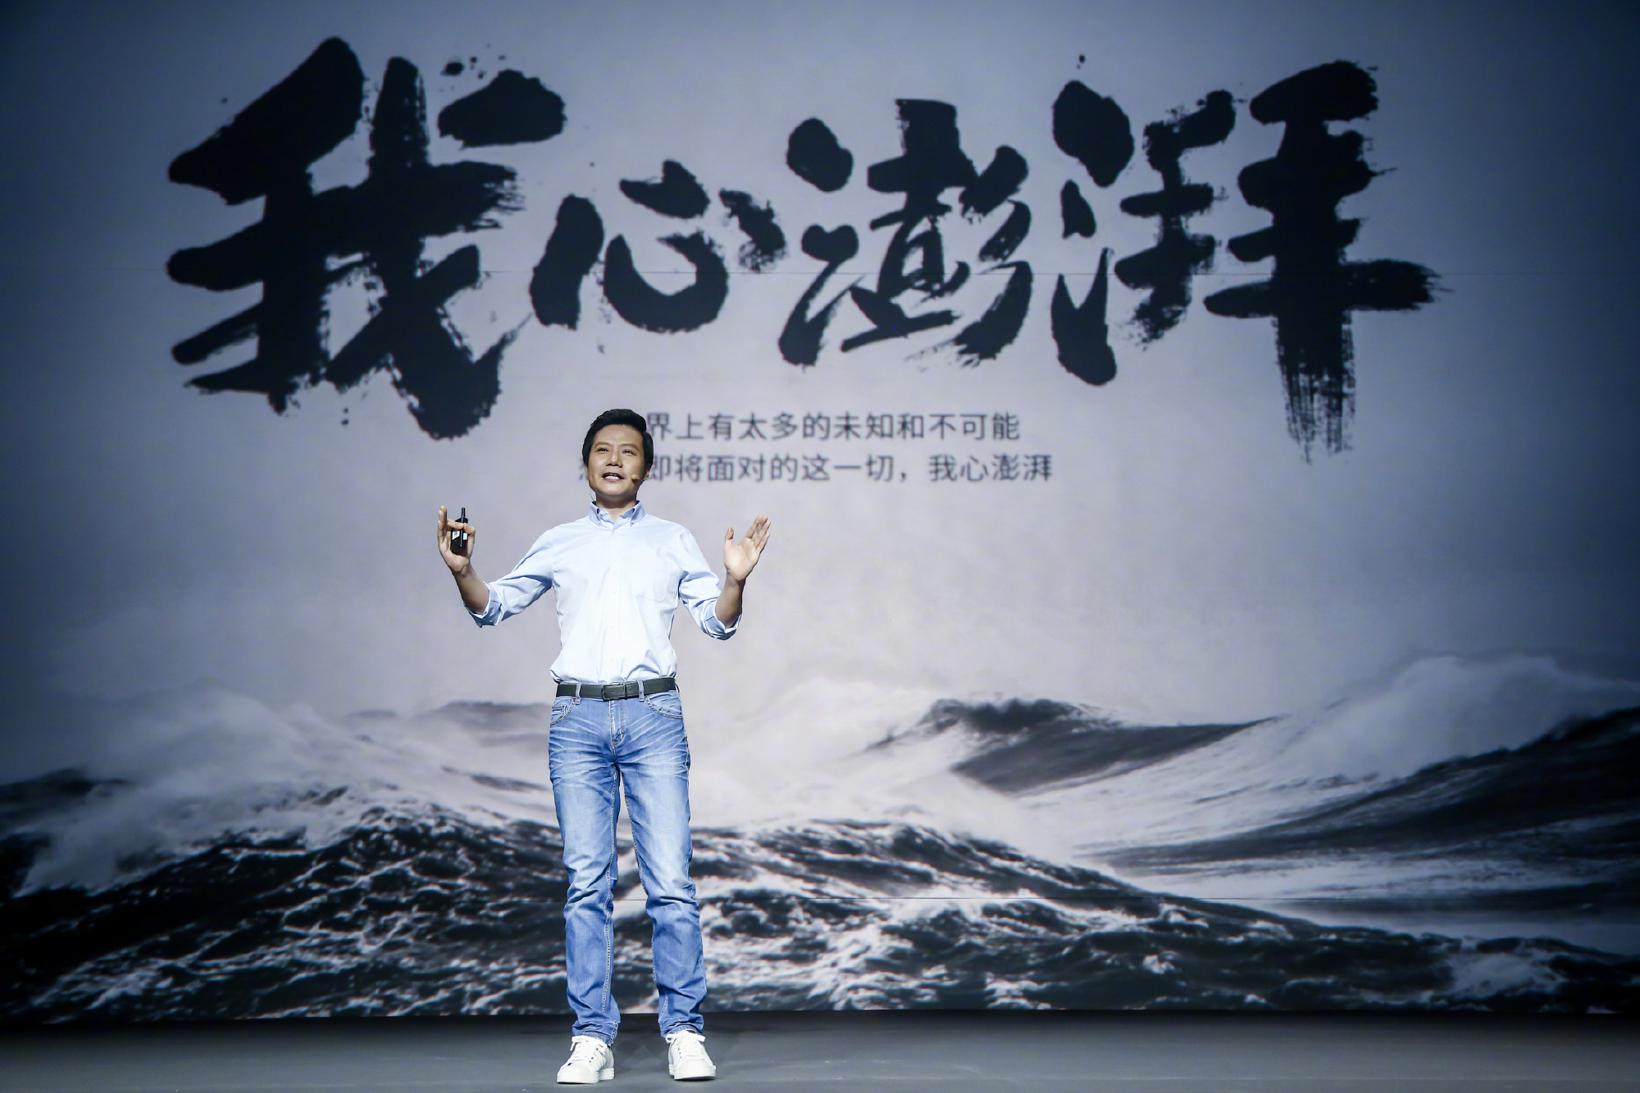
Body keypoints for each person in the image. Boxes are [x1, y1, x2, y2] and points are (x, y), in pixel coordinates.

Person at [436, 408, 770, 1084]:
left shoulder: (673, 539)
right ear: (585, 464)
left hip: (653, 714)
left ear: (646, 467)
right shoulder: (560, 541)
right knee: (586, 884)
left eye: (628, 451)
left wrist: (735, 581)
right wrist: (462, 569)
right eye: (602, 450)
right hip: (578, 719)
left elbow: (716, 624)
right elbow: (492, 606)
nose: (615, 459)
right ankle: (592, 1036)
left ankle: (683, 1030)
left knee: (670, 882)